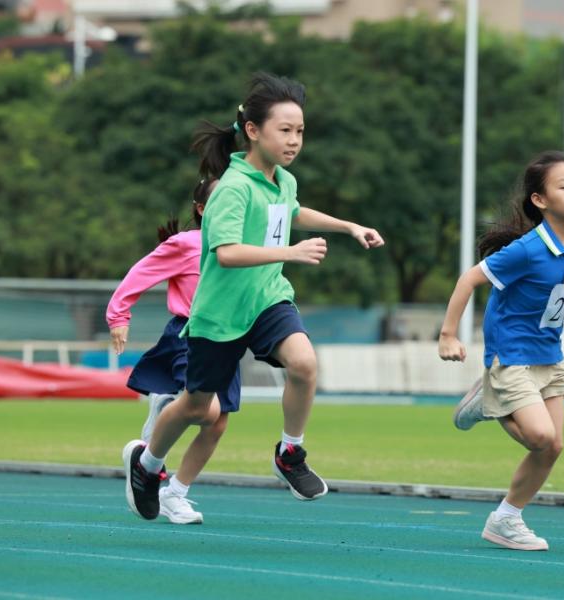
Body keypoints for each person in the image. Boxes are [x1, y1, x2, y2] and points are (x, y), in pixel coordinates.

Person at [123, 72, 384, 521]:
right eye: (285, 130)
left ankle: (290, 453)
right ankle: (147, 466)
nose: (294, 140)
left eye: (300, 130)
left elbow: (294, 212)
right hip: (220, 315)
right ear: (252, 130)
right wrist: (291, 252)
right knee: (196, 407)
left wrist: (348, 226)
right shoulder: (232, 188)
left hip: (267, 299)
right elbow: (226, 253)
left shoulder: (283, 180)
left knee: (304, 364)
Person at [438, 151, 564, 551]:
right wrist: (448, 334)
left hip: (548, 356)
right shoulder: (527, 249)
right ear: (540, 200)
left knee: (554, 446)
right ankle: (489, 401)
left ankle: (505, 519)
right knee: (539, 436)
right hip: (510, 352)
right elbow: (468, 280)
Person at [110, 178, 240, 524]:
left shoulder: (243, 247)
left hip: (229, 341)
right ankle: (168, 407)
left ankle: (174, 494)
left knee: (217, 425)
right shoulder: (186, 244)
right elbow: (141, 274)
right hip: (191, 335)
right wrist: (118, 315)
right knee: (206, 411)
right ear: (201, 209)